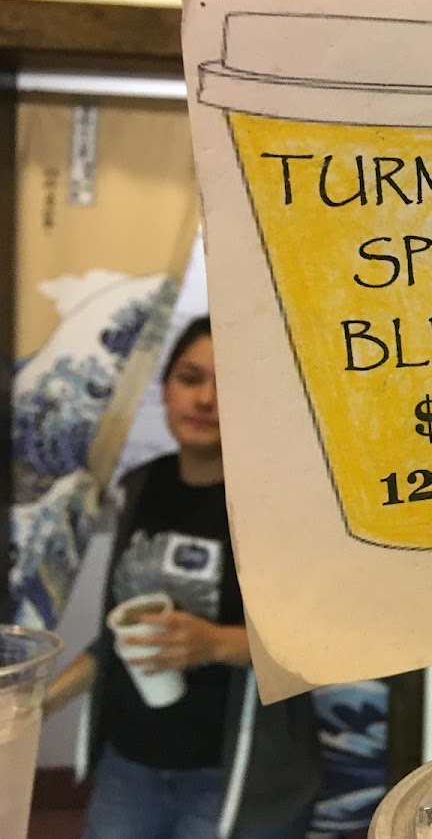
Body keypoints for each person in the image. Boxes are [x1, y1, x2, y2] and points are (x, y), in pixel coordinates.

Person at [45, 317, 322, 839]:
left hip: (239, 775)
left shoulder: (280, 504)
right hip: (129, 766)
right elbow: (118, 637)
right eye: (190, 378)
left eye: (228, 384)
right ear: (165, 389)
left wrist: (215, 643)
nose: (206, 399)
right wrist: (40, 702)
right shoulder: (138, 488)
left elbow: (320, 643)